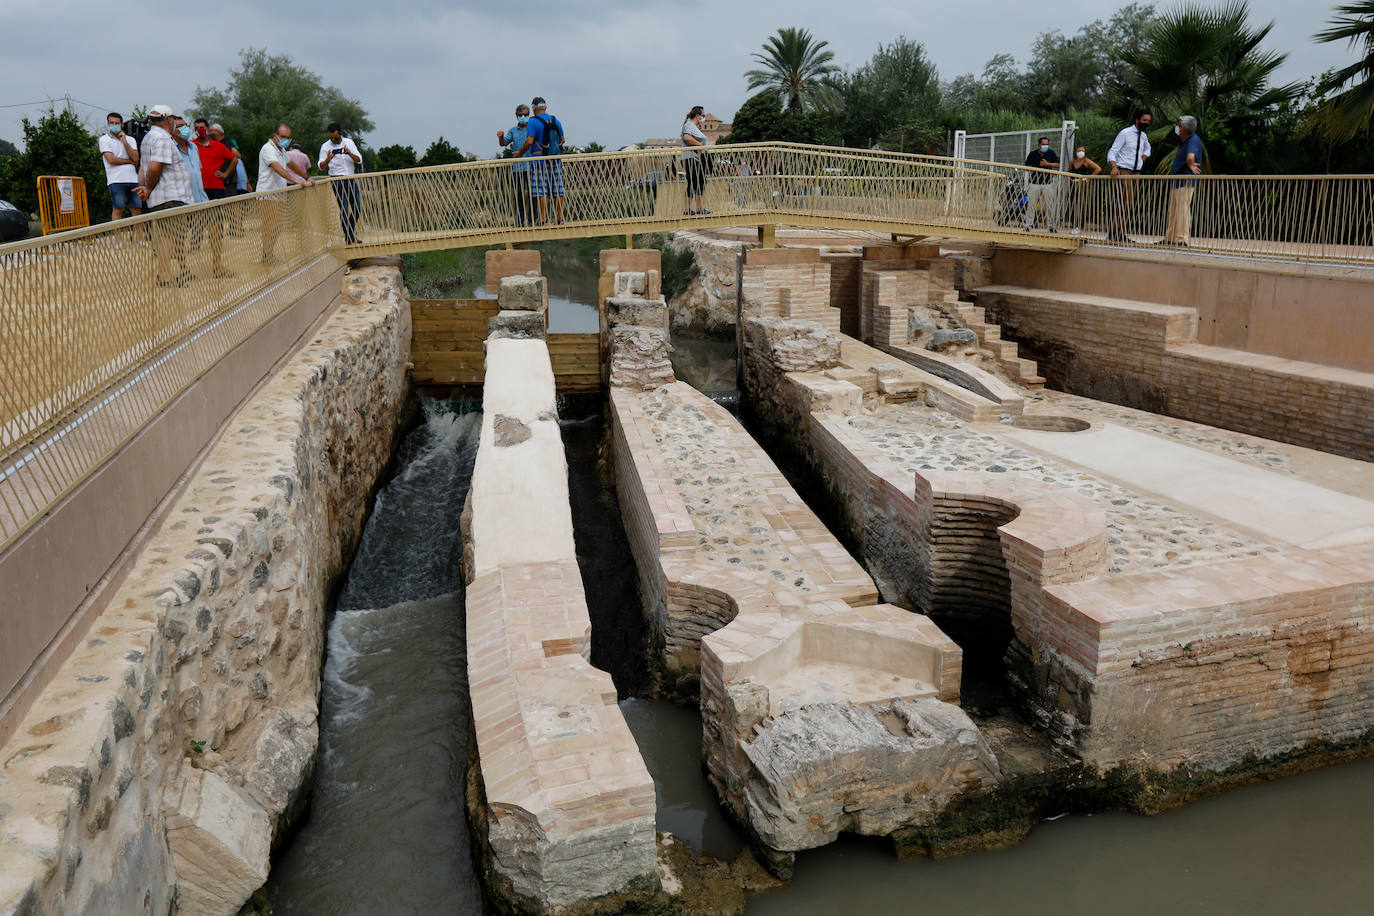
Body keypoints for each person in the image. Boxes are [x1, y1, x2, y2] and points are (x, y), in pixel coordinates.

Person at [134, 105, 196, 286]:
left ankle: (183, 270)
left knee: (174, 236)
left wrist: (144, 187)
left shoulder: (148, 138)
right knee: (167, 238)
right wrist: (148, 188)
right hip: (170, 195)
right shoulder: (161, 138)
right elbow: (154, 166)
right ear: (169, 120)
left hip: (165, 196)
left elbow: (143, 168)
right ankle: (164, 276)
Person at [257, 122, 314, 262]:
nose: (286, 139)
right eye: (283, 136)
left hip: (279, 193)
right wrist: (296, 181)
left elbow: (291, 165)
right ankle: (267, 255)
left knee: (277, 227)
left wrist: (306, 177)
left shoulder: (281, 151)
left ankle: (269, 254)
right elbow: (277, 167)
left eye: (288, 137)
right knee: (269, 227)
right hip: (268, 193)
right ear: (275, 136)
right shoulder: (268, 149)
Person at [1106, 109, 1153, 242]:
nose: (1147, 123)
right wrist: (1114, 166)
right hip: (1124, 170)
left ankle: (1119, 232)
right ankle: (1115, 232)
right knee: (1123, 202)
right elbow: (1113, 151)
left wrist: (1141, 159)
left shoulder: (1143, 135)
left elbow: (1148, 149)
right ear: (1137, 120)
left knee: (1129, 203)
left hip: (1136, 172)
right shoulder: (1125, 133)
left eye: (1149, 121)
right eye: (1144, 120)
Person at [518, 97, 565, 225]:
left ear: (533, 108)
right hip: (555, 158)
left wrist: (519, 154)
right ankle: (560, 218)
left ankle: (544, 219)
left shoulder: (533, 121)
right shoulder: (555, 120)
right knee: (558, 188)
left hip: (539, 159)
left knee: (541, 189)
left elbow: (529, 141)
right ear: (545, 107)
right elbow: (562, 139)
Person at [1162, 115, 1204, 247]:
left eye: (1180, 125)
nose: (1178, 128)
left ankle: (1181, 239)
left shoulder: (1193, 140)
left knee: (1182, 210)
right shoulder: (1186, 140)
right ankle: (1170, 237)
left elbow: (1190, 157)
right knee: (1174, 210)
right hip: (1177, 181)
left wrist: (1190, 164)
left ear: (1185, 128)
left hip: (1184, 180)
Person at [319, 122, 364, 244]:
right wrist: (328, 159)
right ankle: (349, 237)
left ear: (340, 133)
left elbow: (359, 159)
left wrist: (348, 152)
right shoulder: (325, 146)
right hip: (337, 180)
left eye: (335, 136)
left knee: (357, 208)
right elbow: (321, 167)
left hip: (350, 178)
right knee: (343, 209)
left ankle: (349, 233)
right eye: (331, 137)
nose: (333, 139)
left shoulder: (349, 143)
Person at [98, 112, 141, 219]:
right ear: (108, 124)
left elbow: (136, 158)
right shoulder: (104, 140)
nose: (114, 125)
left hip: (133, 179)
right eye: (111, 123)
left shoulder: (130, 139)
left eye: (117, 123)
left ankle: (139, 235)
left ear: (122, 125)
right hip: (116, 180)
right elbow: (111, 160)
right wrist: (129, 161)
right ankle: (118, 235)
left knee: (136, 208)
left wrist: (124, 141)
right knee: (118, 208)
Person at [497, 104, 533, 226]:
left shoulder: (532, 129)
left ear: (529, 115)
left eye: (525, 115)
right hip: (517, 168)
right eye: (520, 115)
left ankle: (533, 220)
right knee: (519, 196)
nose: (523, 117)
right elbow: (503, 143)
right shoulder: (513, 131)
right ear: (516, 115)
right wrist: (501, 137)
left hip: (532, 167)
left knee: (533, 194)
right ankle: (520, 221)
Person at [193, 118, 239, 201]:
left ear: (208, 129)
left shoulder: (218, 145)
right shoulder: (192, 145)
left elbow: (235, 159)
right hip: (198, 187)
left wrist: (225, 174)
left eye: (202, 127)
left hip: (216, 186)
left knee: (217, 212)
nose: (199, 130)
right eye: (196, 128)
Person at [1022, 137, 1060, 232]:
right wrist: (1030, 169)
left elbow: (1058, 164)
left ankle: (1051, 226)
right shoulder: (1032, 154)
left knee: (1049, 205)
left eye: (1047, 144)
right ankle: (1028, 225)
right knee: (1031, 205)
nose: (1045, 146)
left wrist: (1048, 164)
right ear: (1039, 145)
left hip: (1047, 183)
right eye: (1043, 144)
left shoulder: (1051, 153)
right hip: (1034, 183)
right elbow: (1026, 165)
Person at [680, 105, 711, 216]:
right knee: (693, 182)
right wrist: (699, 145)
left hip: (698, 158)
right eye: (703, 115)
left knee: (700, 182)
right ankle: (687, 210)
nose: (704, 117)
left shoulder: (696, 128)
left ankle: (699, 208)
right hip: (690, 157)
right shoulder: (689, 125)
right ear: (698, 116)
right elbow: (687, 138)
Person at [1065, 143, 1102, 234]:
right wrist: (1069, 178)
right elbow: (1069, 171)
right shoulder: (1072, 161)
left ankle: (1080, 226)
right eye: (1079, 151)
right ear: (1076, 152)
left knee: (1081, 205)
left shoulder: (1087, 161)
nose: (1081, 152)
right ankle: (1074, 225)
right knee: (1073, 204)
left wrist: (1089, 177)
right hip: (1073, 184)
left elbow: (1098, 169)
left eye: (1083, 151)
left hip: (1082, 184)